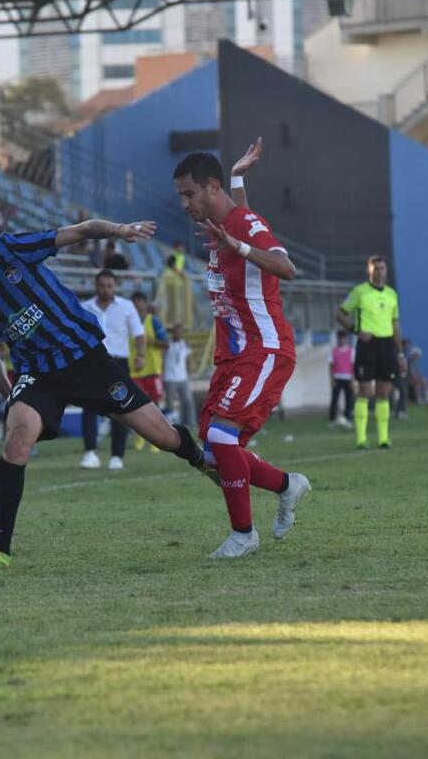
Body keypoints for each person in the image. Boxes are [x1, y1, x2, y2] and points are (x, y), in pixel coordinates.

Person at [0, 216, 208, 571]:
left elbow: (79, 230)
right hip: (38, 374)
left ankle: (202, 460)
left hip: (86, 360)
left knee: (165, 438)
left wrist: (119, 230)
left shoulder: (11, 250)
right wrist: (9, 393)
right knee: (16, 441)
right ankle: (0, 554)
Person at [173, 140, 311, 559]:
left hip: (265, 348)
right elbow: (239, 215)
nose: (184, 204)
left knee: (221, 435)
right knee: (214, 454)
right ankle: (288, 486)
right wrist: (237, 178)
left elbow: (285, 266)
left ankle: (243, 535)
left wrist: (239, 248)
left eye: (189, 194)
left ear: (210, 189)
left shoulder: (241, 228)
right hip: (234, 354)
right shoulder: (229, 220)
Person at [79, 269, 144, 470]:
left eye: (109, 286)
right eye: (102, 285)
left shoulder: (126, 306)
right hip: (92, 362)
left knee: (122, 408)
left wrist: (140, 355)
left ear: (114, 286)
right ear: (95, 285)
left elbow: (139, 333)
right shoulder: (85, 307)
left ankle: (117, 456)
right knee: (89, 407)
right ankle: (90, 453)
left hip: (118, 363)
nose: (105, 289)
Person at [338, 255, 405, 449]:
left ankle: (383, 438)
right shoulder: (359, 292)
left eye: (383, 269)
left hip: (387, 346)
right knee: (365, 391)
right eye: (376, 269)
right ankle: (361, 439)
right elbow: (340, 313)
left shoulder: (392, 294)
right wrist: (357, 331)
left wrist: (400, 353)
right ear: (369, 271)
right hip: (367, 346)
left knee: (384, 392)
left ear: (386, 271)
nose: (380, 272)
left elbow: (395, 324)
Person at [129, 291, 169, 452]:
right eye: (134, 302)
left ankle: (155, 439)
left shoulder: (154, 322)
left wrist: (153, 341)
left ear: (145, 304)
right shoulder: (127, 322)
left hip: (153, 369)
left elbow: (166, 343)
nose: (137, 305)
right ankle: (140, 436)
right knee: (137, 407)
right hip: (134, 370)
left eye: (140, 301)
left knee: (155, 405)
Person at [163, 322, 195, 430]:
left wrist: (190, 372)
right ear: (173, 333)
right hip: (170, 378)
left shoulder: (185, 344)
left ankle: (189, 424)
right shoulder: (167, 344)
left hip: (183, 378)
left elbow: (188, 360)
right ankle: (170, 426)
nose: (178, 333)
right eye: (176, 331)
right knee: (170, 404)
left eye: (180, 331)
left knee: (187, 401)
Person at [154, 254, 194, 332]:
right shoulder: (168, 273)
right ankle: (169, 326)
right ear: (173, 263)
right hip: (170, 299)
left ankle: (174, 326)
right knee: (170, 313)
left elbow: (185, 279)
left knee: (173, 313)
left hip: (174, 300)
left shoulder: (173, 272)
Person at [328, 329, 355, 427]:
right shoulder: (334, 351)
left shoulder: (351, 350)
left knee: (349, 399)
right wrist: (332, 379)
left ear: (346, 339)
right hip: (337, 378)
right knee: (334, 400)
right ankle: (332, 420)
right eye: (340, 338)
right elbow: (331, 366)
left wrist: (352, 380)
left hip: (348, 378)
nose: (342, 340)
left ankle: (348, 419)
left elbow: (352, 366)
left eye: (344, 338)